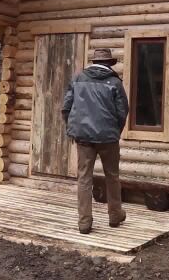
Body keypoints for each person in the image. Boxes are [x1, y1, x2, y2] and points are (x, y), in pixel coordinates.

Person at [62, 48, 129, 234]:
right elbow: (123, 111)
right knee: (112, 176)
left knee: (84, 178)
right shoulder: (115, 82)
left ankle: (84, 223)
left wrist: (74, 129)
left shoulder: (78, 79)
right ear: (109, 63)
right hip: (109, 138)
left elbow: (66, 107)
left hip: (83, 138)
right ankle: (115, 216)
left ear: (94, 62)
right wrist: (116, 131)